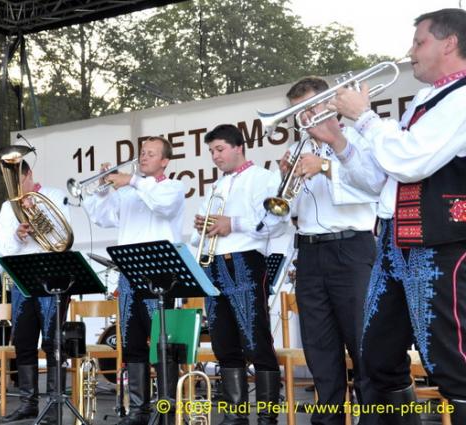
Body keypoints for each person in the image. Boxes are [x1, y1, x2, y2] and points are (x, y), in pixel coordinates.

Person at [329, 8, 466, 424]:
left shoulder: (462, 98)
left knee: (450, 361)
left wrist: (365, 117)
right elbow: (381, 180)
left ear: (450, 43)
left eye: (419, 42)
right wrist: (338, 141)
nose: (410, 52)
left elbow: (410, 161)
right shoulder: (423, 102)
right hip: (394, 242)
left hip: (438, 244)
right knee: (378, 357)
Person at [284, 77, 382, 425]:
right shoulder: (297, 150)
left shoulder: (357, 138)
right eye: (299, 111)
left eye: (310, 106)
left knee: (363, 342)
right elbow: (289, 213)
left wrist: (324, 167)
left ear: (330, 104)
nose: (305, 116)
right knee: (319, 348)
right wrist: (288, 182)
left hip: (351, 249)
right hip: (310, 253)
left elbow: (373, 187)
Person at [82, 136, 185, 425]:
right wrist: (103, 188)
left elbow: (162, 206)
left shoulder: (173, 187)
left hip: (160, 275)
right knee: (132, 342)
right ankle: (138, 410)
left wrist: (131, 180)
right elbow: (102, 217)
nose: (144, 157)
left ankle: (166, 410)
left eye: (151, 153)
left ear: (165, 161)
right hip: (129, 274)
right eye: (142, 153)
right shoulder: (128, 192)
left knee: (163, 345)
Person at [190, 124, 289, 425]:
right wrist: (202, 226)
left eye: (220, 149)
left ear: (238, 147)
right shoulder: (216, 186)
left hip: (245, 261)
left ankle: (267, 417)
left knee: (255, 340)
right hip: (213, 264)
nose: (215, 156)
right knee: (223, 343)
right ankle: (235, 415)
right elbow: (200, 235)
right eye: (211, 151)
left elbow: (275, 222)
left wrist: (231, 223)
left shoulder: (263, 178)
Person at [0, 159, 71, 423]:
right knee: (24, 342)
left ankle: (54, 404)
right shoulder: (8, 207)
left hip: (52, 277)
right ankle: (28, 403)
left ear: (30, 174)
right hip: (22, 278)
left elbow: (63, 237)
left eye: (18, 179)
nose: (15, 187)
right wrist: (18, 235)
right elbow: (3, 249)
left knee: (52, 342)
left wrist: (37, 215)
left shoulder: (54, 196)